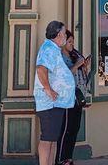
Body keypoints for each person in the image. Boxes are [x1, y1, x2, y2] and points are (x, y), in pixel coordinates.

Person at [34, 21, 75, 165]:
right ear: (58, 34)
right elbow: (41, 69)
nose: (65, 36)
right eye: (64, 33)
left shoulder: (54, 49)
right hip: (50, 103)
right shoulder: (49, 49)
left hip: (57, 102)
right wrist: (48, 89)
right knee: (47, 138)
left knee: (52, 139)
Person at [55, 30, 91, 165]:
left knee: (74, 128)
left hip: (78, 96)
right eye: (69, 42)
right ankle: (60, 159)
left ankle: (68, 158)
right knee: (65, 129)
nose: (72, 45)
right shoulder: (59, 57)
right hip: (66, 97)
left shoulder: (74, 55)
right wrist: (76, 65)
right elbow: (62, 77)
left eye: (72, 42)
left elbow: (82, 77)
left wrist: (84, 67)